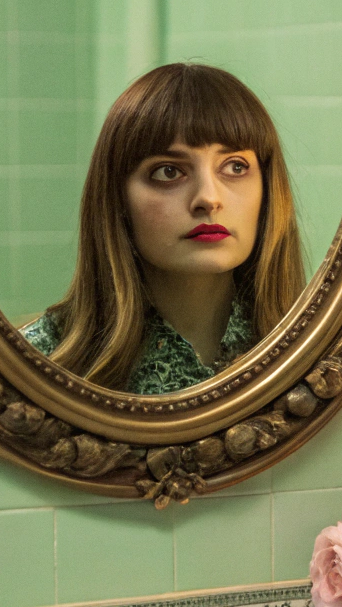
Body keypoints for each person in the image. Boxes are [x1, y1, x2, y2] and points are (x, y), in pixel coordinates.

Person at [22, 63, 304, 394]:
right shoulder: (37, 362)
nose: (208, 199)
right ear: (117, 199)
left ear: (268, 189)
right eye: (169, 172)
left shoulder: (315, 353)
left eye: (235, 166)